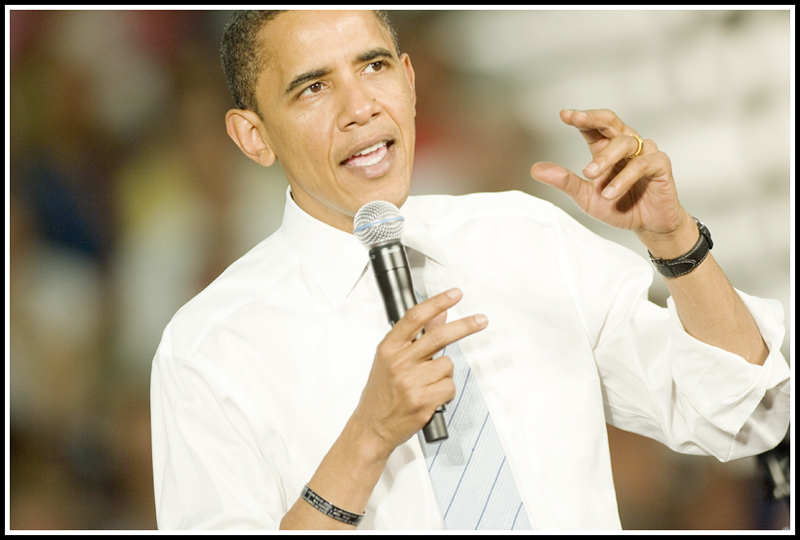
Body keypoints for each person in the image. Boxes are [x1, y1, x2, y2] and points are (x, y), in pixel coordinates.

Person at [150, 10, 790, 530]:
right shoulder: (208, 349)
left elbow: (745, 412)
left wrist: (675, 241)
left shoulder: (522, 236)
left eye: (373, 67)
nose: (360, 106)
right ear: (253, 136)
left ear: (408, 80)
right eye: (313, 87)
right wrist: (367, 438)